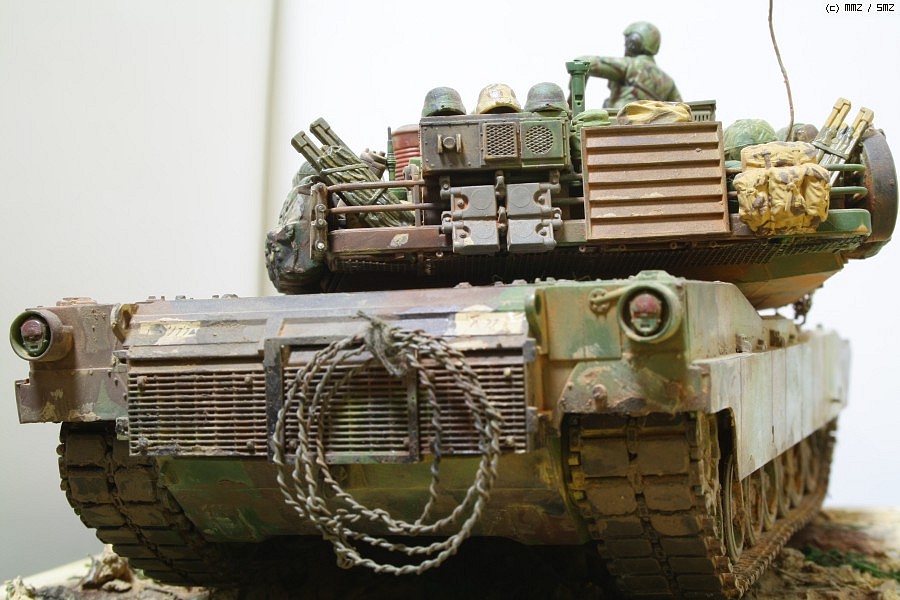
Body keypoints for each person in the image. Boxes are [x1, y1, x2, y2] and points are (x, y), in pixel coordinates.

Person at [577, 21, 681, 110]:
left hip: (620, 123)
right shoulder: (669, 83)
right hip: (651, 125)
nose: (625, 45)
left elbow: (582, 62)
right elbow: (682, 110)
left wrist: (573, 104)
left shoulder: (630, 65)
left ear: (633, 43)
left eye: (627, 41)